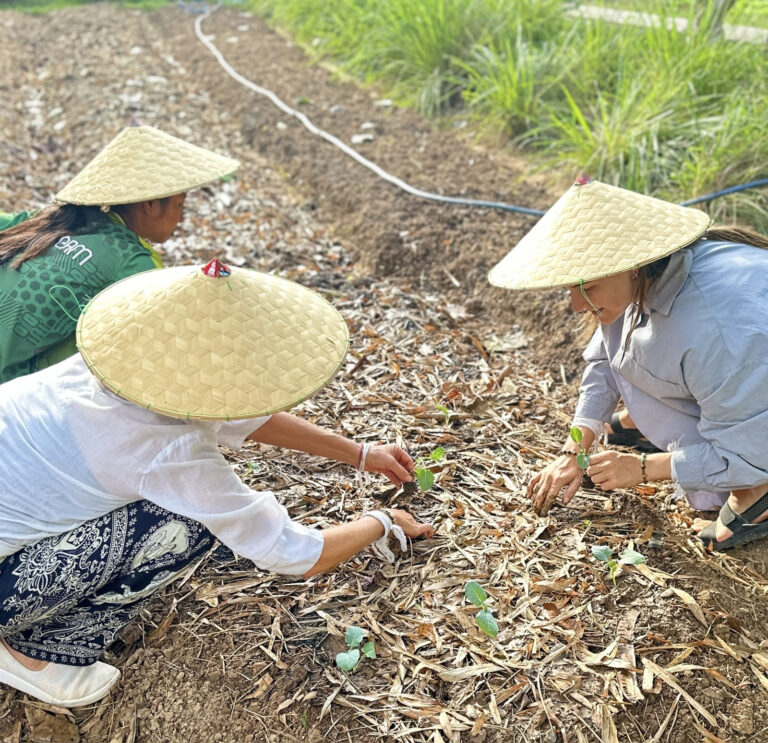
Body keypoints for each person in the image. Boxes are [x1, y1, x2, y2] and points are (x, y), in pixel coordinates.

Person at [0, 261, 433, 707]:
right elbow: (295, 554)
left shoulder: (104, 369)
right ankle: (31, 652)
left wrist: (360, 454)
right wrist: (383, 521)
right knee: (185, 523)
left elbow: (239, 414)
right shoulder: (168, 448)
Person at [487, 179, 768, 552]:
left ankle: (757, 494)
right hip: (733, 379)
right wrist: (576, 451)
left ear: (630, 265)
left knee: (742, 466)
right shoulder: (645, 278)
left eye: (584, 287)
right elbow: (606, 360)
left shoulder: (714, 331)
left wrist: (640, 468)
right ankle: (667, 415)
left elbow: (747, 452)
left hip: (750, 416)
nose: (575, 304)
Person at [0, 124, 239, 384]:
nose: (181, 217)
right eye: (179, 204)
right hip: (11, 394)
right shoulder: (132, 260)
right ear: (150, 204)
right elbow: (161, 335)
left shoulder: (55, 220)